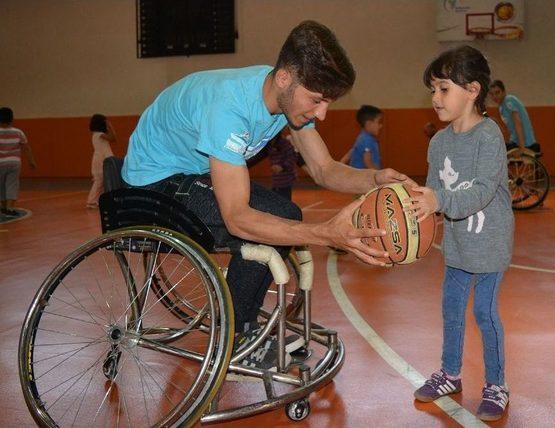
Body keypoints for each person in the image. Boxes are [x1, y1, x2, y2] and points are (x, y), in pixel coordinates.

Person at [122, 20, 412, 370]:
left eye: (328, 102)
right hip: (152, 186)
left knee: (281, 213)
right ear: (285, 77)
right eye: (317, 100)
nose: (322, 113)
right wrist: (324, 233)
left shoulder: (280, 94)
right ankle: (235, 334)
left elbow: (324, 169)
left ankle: (238, 317)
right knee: (274, 217)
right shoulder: (230, 108)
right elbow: (237, 217)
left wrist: (376, 179)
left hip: (187, 173)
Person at [406, 46, 514, 421]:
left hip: (489, 245)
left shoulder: (490, 137)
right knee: (451, 310)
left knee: (484, 314)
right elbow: (433, 196)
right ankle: (450, 374)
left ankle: (497, 384)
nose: (435, 98)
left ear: (472, 90)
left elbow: (482, 191)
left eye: (443, 89)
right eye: (432, 90)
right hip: (457, 247)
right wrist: (411, 218)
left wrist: (439, 199)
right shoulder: (438, 143)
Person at [0, 107, 36, 217]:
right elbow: (26, 147)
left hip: (0, 162)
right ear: (12, 119)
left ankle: (3, 207)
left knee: (1, 185)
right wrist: (31, 161)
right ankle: (10, 208)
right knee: (12, 184)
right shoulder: (18, 132)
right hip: (14, 163)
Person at [489, 80, 540, 154]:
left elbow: (518, 123)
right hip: (515, 142)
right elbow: (508, 131)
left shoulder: (509, 101)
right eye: (491, 94)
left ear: (504, 92)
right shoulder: (501, 107)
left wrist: (522, 148)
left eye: (497, 92)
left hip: (526, 144)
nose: (495, 96)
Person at [86, 114, 116, 208]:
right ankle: (91, 201)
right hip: (101, 161)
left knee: (102, 181)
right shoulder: (99, 134)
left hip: (102, 159)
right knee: (99, 181)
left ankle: (95, 200)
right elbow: (113, 138)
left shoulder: (97, 134)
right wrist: (110, 126)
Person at [339, 105, 383, 169]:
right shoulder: (367, 139)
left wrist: (341, 163)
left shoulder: (362, 137)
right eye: (379, 122)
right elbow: (367, 162)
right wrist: (378, 174)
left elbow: (351, 152)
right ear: (369, 124)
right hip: (363, 176)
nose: (380, 125)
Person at [268, 130, 297, 201]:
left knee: (285, 201)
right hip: (276, 180)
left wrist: (282, 167)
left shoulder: (285, 144)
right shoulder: (270, 145)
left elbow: (292, 158)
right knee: (275, 201)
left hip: (286, 179)